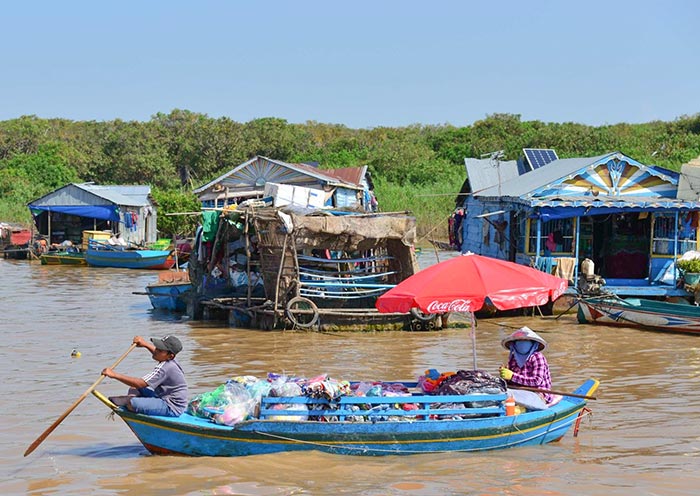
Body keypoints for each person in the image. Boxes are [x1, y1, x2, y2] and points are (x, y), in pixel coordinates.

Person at [103, 335, 188, 417]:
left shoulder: (164, 368)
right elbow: (157, 352)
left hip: (171, 406)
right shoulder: (172, 360)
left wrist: (114, 375)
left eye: (160, 350)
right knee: (133, 387)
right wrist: (145, 344)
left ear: (170, 356)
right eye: (157, 348)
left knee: (131, 404)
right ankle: (133, 399)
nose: (156, 351)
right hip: (162, 396)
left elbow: (140, 383)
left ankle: (132, 401)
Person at [499, 326, 553, 410]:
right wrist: (505, 376)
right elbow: (513, 382)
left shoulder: (537, 357)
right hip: (518, 392)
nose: (522, 344)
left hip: (538, 394)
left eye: (525, 341)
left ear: (532, 343)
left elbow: (536, 381)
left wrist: (512, 376)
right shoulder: (513, 358)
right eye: (519, 341)